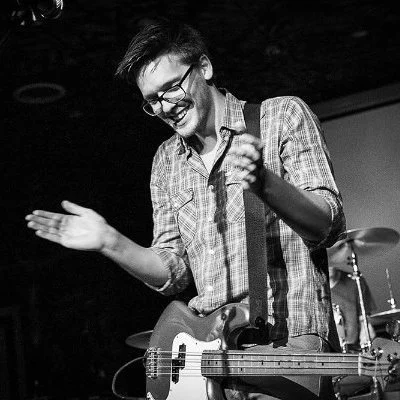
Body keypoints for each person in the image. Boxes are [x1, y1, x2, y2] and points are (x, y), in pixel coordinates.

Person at [25, 18, 346, 399]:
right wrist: (110, 241)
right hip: (205, 356)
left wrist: (265, 184)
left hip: (284, 344)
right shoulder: (167, 161)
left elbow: (328, 224)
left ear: (204, 67)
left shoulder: (280, 117)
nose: (165, 106)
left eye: (171, 88)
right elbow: (172, 271)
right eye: (152, 100)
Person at [329, 265, 376, 353]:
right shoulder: (310, 287)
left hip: (353, 348)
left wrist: (366, 333)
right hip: (327, 352)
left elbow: (365, 322)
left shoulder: (355, 280)